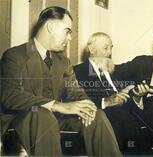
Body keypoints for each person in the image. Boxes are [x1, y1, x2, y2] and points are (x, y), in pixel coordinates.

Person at [1, 7, 122, 156]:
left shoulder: (63, 61)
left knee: (97, 115)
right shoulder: (14, 55)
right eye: (68, 31)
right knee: (42, 113)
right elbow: (10, 95)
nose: (70, 38)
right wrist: (57, 105)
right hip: (24, 121)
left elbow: (76, 92)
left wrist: (87, 105)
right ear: (51, 27)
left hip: (56, 121)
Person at [74, 32, 153, 154]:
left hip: (126, 112)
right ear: (91, 49)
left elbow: (124, 94)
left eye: (111, 48)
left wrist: (136, 95)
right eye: (106, 48)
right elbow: (77, 101)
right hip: (105, 116)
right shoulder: (78, 71)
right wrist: (107, 102)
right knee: (125, 123)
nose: (109, 52)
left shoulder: (113, 70)